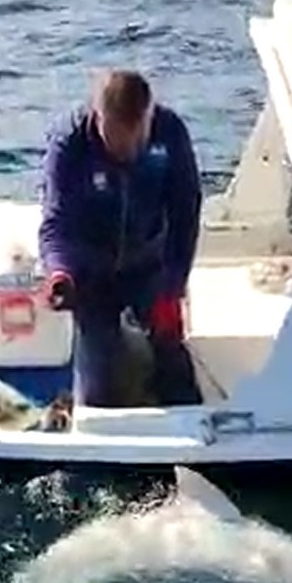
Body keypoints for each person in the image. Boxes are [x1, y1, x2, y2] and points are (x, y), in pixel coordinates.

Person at [39, 69, 203, 408]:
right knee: (97, 392)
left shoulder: (170, 132)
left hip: (149, 267)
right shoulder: (69, 144)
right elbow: (56, 224)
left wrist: (173, 287)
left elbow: (185, 215)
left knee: (176, 370)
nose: (128, 152)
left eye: (137, 140)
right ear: (98, 118)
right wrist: (59, 271)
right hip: (91, 277)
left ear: (149, 115)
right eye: (117, 141)